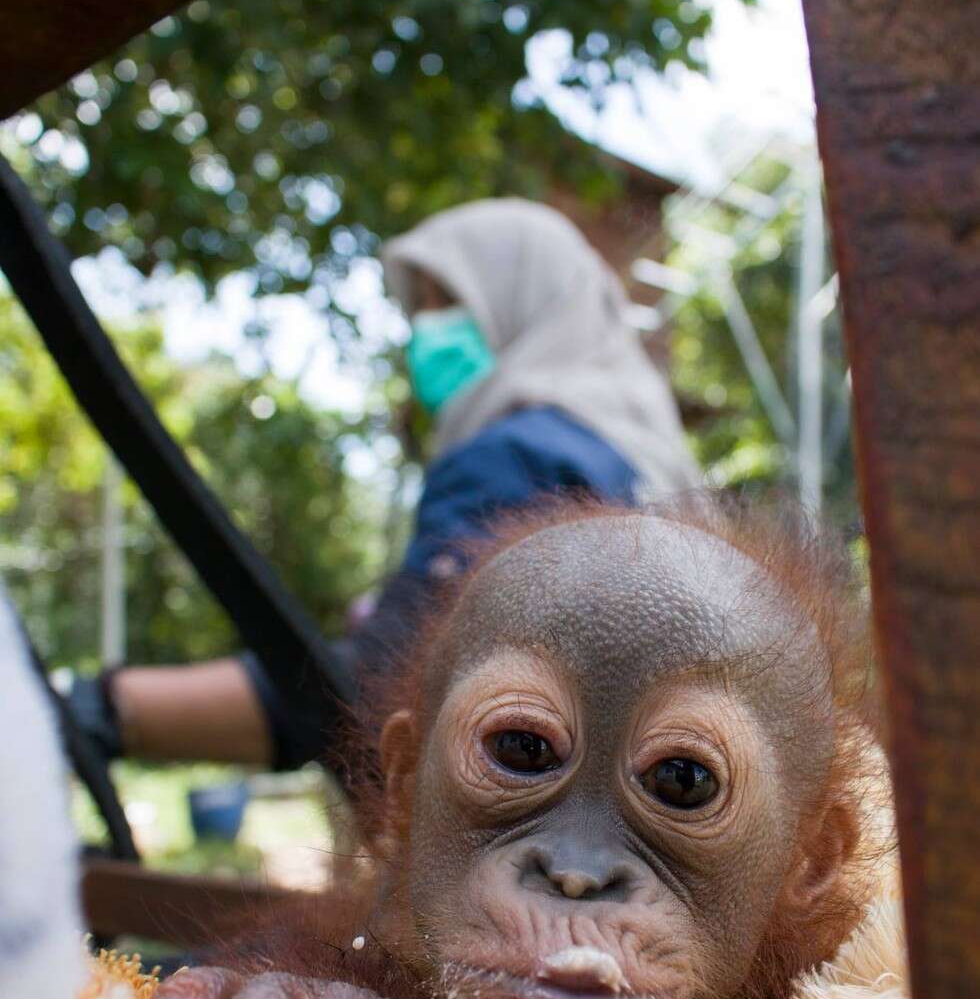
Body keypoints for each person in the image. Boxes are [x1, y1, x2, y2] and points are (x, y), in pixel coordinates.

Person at [70, 198, 700, 772]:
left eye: (443, 301)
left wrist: (104, 709)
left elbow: (371, 694)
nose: (422, 331)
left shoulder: (517, 457)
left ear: (516, 301)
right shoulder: (638, 463)